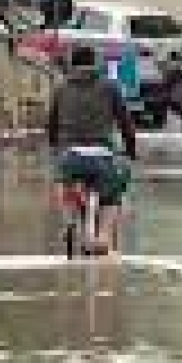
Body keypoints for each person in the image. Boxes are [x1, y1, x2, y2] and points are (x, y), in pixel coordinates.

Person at [48, 45, 138, 256]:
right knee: (113, 193)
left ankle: (68, 218)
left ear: (72, 64)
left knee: (63, 182)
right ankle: (104, 236)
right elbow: (126, 124)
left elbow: (51, 124)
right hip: (102, 156)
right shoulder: (110, 87)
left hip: (70, 155)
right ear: (96, 64)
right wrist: (131, 152)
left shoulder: (61, 89)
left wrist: (55, 149)